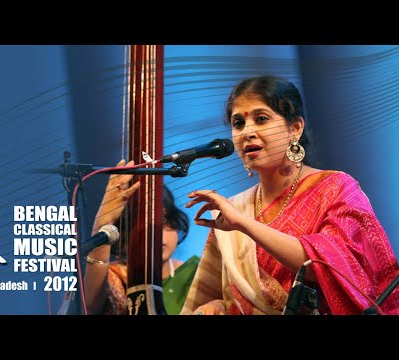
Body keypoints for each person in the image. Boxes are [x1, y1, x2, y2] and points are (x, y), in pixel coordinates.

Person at [181, 75, 399, 315]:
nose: (247, 132)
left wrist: (244, 224)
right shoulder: (235, 208)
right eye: (238, 123)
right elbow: (216, 295)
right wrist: (216, 305)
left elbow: (327, 266)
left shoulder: (335, 188)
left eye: (261, 119)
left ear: (295, 128)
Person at [84, 160, 199, 315]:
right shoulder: (112, 277)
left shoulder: (197, 273)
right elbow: (88, 308)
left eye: (163, 221)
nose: (156, 234)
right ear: (122, 234)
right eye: (142, 226)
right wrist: (104, 222)